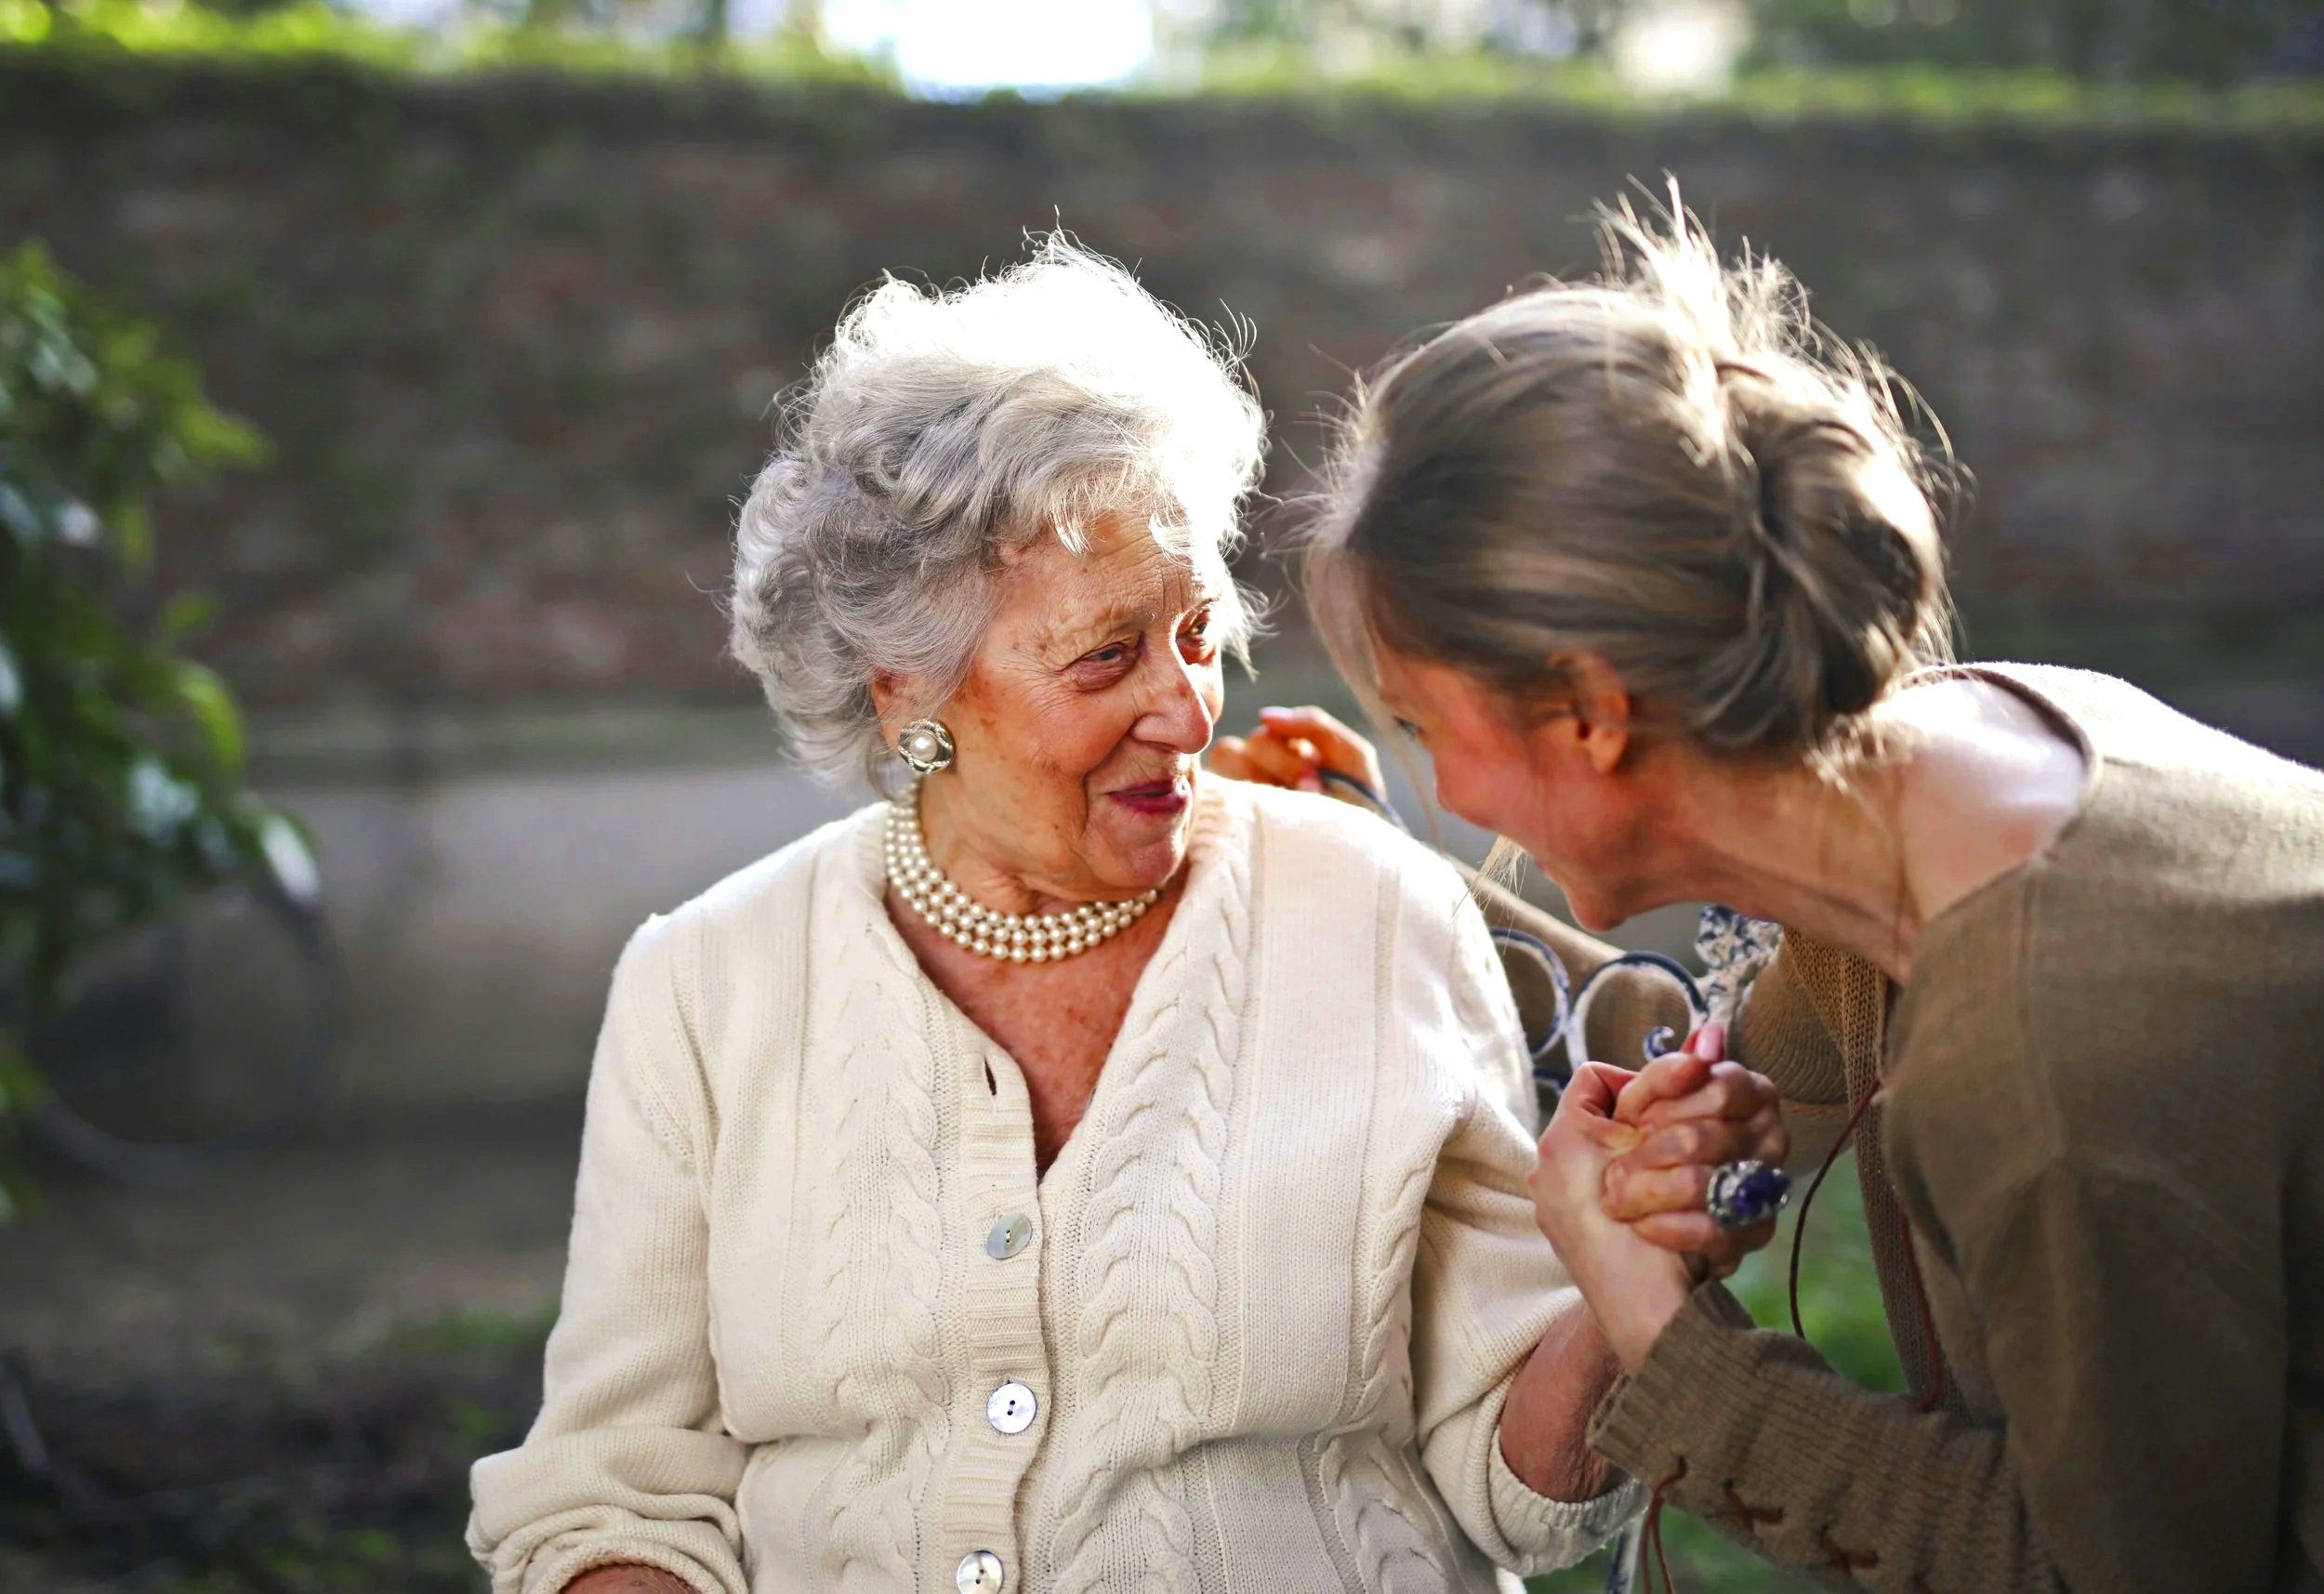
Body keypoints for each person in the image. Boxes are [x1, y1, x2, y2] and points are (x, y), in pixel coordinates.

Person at [466, 240, 1775, 1594]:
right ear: (906, 691)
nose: (1189, 711)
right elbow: (613, 1495)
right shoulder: (704, 985)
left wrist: (1625, 1277)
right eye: (1106, 656)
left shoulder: (1376, 914)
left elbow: (1521, 1498)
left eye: (1198, 633)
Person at [1242, 198, 2324, 1591]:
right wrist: (1359, 862)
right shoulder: (1958, 760)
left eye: (1420, 723)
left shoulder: (2046, 1047)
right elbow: (1723, 1062)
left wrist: (1669, 1346)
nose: (1444, 783)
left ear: (1589, 714)